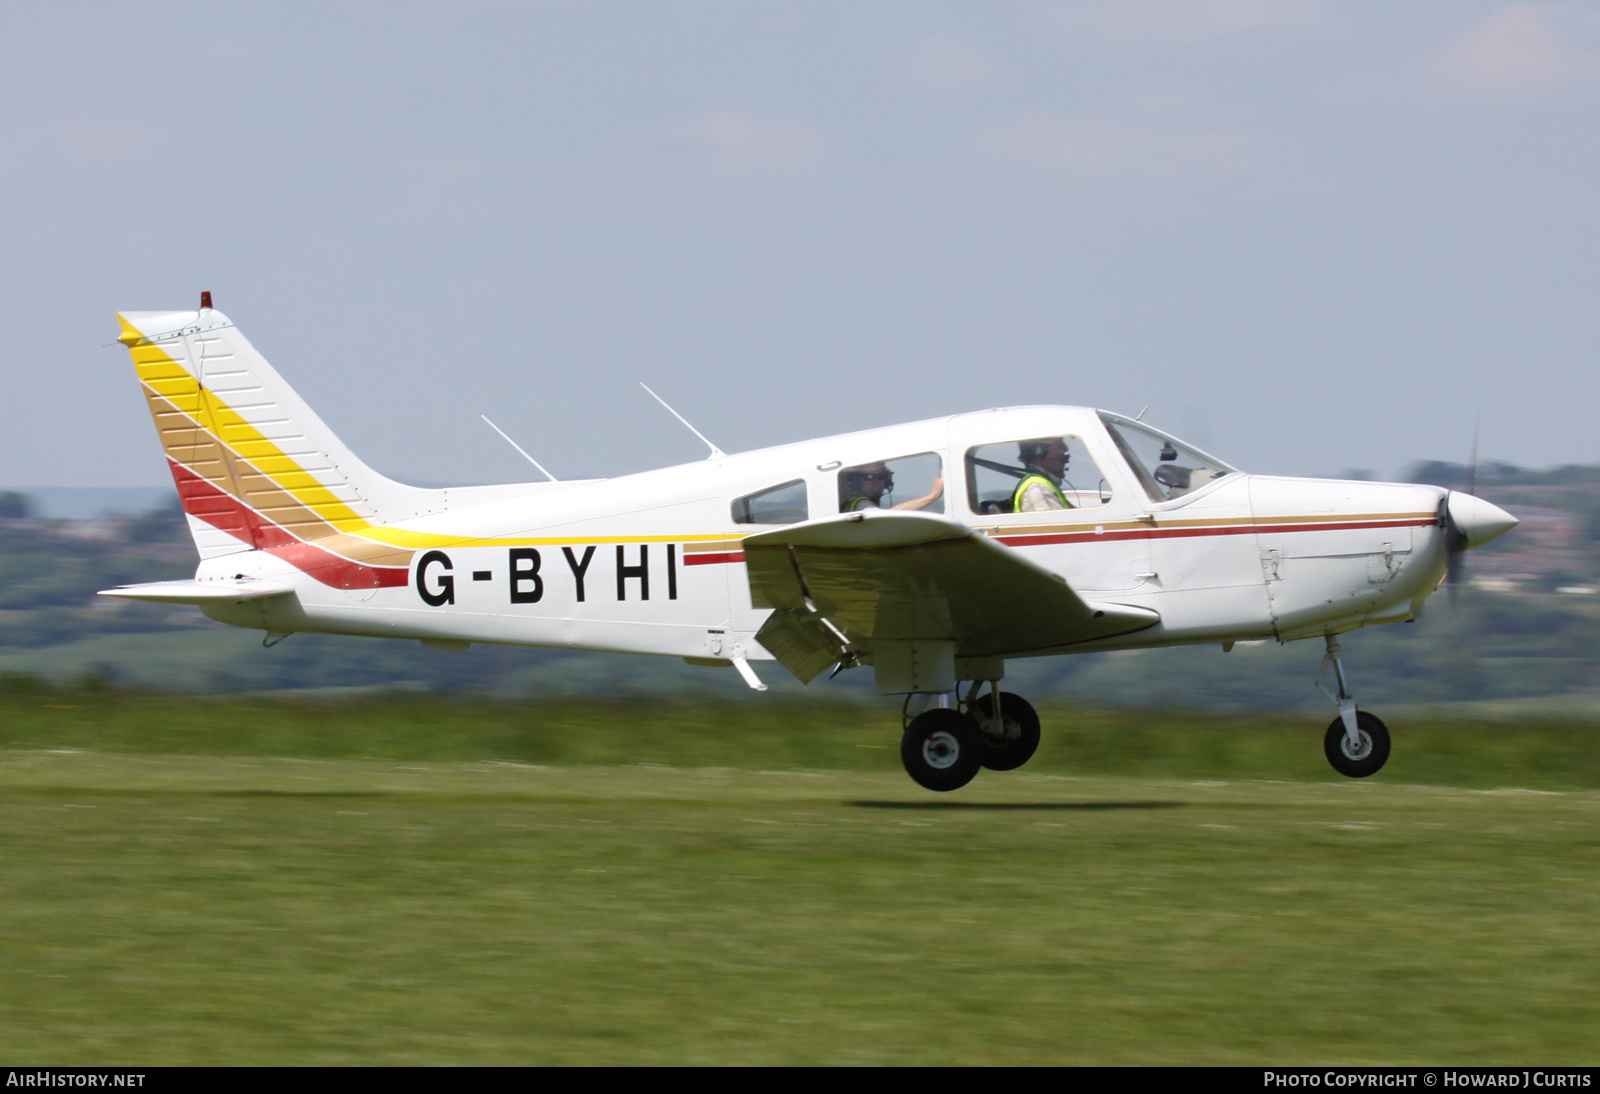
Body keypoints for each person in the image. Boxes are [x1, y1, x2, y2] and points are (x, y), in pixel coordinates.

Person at [840, 462, 944, 512]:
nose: (876, 481)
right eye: (869, 477)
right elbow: (883, 519)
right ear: (856, 481)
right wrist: (932, 496)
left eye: (881, 476)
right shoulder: (860, 504)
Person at [1013, 438, 1073, 512]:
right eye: (1058, 445)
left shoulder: (1042, 485)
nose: (1065, 448)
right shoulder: (1039, 489)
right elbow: (1056, 522)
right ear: (1039, 453)